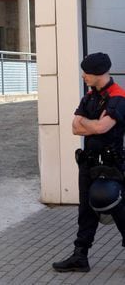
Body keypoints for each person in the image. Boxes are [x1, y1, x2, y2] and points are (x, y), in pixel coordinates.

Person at [52, 52, 125, 272]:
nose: (83, 75)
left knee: (114, 206)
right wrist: (91, 123)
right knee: (86, 211)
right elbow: (75, 127)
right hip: (88, 164)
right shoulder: (90, 96)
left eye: (86, 72)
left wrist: (88, 123)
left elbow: (102, 128)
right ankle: (80, 257)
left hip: (111, 164)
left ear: (98, 72)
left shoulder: (118, 97)